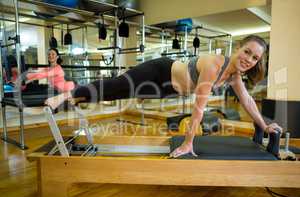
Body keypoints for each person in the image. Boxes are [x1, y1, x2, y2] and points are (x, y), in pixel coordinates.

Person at [45, 35, 282, 157]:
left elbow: (248, 101)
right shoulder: (215, 65)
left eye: (254, 58)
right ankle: (67, 94)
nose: (248, 59)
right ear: (238, 47)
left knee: (116, 94)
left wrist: (264, 125)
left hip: (164, 90)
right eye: (247, 52)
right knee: (115, 85)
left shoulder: (234, 78)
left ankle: (76, 97)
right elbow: (198, 108)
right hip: (159, 72)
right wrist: (189, 142)